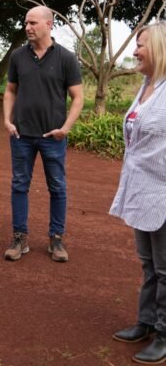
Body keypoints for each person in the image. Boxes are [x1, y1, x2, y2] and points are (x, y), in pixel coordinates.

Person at [3, 5, 83, 262]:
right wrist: (7, 120)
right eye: (26, 23)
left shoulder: (66, 58)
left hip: (53, 137)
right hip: (22, 135)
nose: (27, 27)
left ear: (49, 24)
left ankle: (56, 240)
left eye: (33, 23)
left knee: (57, 187)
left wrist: (65, 129)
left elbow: (78, 98)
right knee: (19, 185)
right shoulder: (17, 56)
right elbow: (10, 90)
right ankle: (19, 238)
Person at [110, 22, 166, 364]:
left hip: (163, 190)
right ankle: (146, 322)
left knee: (165, 269)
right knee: (148, 264)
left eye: (140, 45)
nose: (134, 51)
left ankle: (164, 332)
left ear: (159, 47)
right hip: (142, 187)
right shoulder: (147, 86)